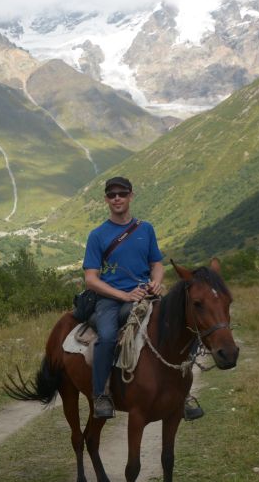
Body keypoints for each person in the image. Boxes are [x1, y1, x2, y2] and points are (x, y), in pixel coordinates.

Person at [82, 176, 203, 421]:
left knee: (185, 327)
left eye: (122, 193)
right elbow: (91, 279)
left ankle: (184, 392)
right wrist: (123, 294)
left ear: (131, 196)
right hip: (111, 299)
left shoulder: (145, 229)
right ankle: (102, 395)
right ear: (106, 199)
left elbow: (156, 264)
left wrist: (156, 282)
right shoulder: (97, 235)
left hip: (145, 295)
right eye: (112, 194)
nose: (117, 198)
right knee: (106, 337)